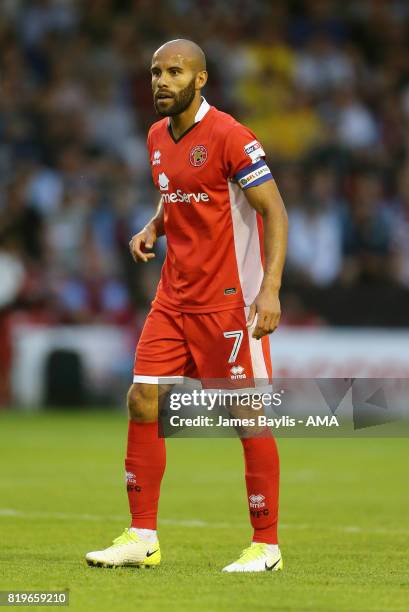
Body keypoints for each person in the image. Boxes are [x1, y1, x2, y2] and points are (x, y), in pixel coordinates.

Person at [86, 39, 288, 573]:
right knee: (142, 399)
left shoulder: (231, 136)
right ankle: (142, 536)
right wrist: (156, 223)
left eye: (174, 71)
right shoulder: (157, 135)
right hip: (173, 298)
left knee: (246, 416)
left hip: (228, 303)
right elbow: (175, 188)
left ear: (200, 80)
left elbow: (276, 212)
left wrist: (269, 290)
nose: (161, 81)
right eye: (155, 71)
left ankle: (266, 546)